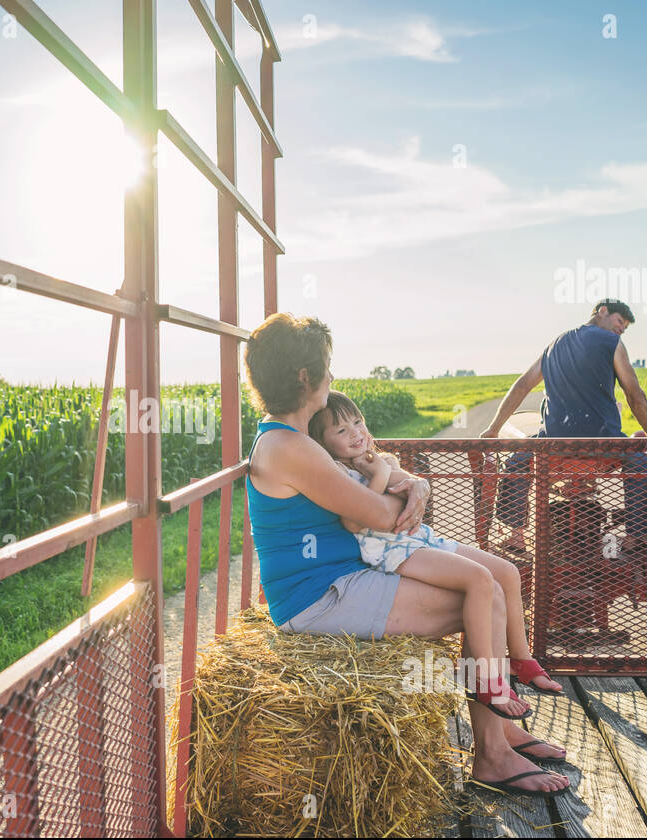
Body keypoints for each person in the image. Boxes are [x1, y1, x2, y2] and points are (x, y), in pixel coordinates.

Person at [243, 313, 569, 795]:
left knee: (491, 585)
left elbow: (374, 494)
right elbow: (376, 514)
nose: (332, 377)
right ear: (304, 377)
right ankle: (492, 756)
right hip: (319, 596)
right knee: (485, 597)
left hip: (346, 576)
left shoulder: (296, 439)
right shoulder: (288, 447)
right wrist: (411, 489)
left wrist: (411, 483)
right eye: (327, 367)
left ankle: (497, 733)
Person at [309, 389, 562, 694]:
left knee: (507, 572)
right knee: (479, 580)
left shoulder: (378, 459)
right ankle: (484, 677)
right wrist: (378, 474)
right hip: (393, 553)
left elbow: (409, 481)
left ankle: (522, 659)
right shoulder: (338, 472)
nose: (355, 432)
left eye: (358, 421)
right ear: (323, 442)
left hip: (421, 539)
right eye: (341, 429)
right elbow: (353, 521)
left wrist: (401, 476)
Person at [482, 299, 647, 560]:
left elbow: (522, 385)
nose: (621, 329)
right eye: (620, 322)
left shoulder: (554, 345)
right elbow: (633, 394)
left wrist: (493, 428)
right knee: (641, 463)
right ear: (602, 312)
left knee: (517, 461)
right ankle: (635, 537)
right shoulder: (611, 343)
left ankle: (516, 535)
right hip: (604, 445)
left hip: (552, 446)